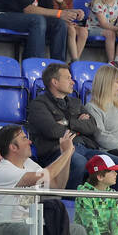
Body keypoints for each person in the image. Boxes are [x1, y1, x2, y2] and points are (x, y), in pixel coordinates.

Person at [0, 124, 73, 235]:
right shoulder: (3, 170)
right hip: (3, 228)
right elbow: (47, 174)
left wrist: (67, 156)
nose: (30, 142)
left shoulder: (29, 164)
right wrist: (66, 153)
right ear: (13, 147)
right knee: (30, 230)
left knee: (77, 231)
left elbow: (58, 185)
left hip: (29, 224)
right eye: (24, 138)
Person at [26, 62, 98, 190]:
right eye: (68, 78)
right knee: (79, 162)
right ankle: (68, 202)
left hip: (84, 147)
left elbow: (92, 126)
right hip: (56, 150)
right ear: (54, 82)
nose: (73, 82)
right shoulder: (38, 104)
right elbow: (53, 130)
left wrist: (67, 123)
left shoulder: (76, 102)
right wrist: (79, 126)